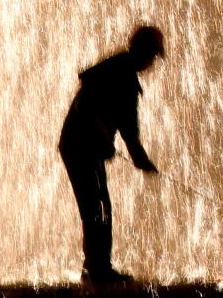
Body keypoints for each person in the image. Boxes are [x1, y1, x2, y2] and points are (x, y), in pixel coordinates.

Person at [59, 25, 165, 284]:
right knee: (96, 208)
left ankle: (96, 266)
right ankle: (98, 270)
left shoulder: (121, 72)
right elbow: (89, 109)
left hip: (84, 147)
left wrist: (140, 157)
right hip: (79, 147)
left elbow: (129, 129)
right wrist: (106, 137)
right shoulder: (119, 75)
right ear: (143, 52)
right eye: (152, 55)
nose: (152, 62)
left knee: (99, 206)